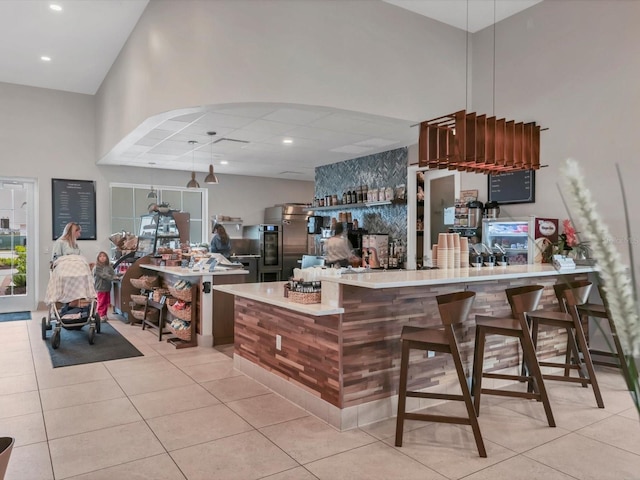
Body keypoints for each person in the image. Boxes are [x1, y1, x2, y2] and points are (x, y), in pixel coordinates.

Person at [93, 251, 118, 319]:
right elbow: (103, 275)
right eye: (100, 256)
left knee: (106, 301)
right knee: (101, 301)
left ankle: (104, 314)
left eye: (104, 256)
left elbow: (112, 273)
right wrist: (112, 277)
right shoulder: (97, 267)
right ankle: (100, 315)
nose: (102, 258)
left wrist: (114, 277)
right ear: (98, 258)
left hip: (107, 287)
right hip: (100, 287)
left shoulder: (109, 266)